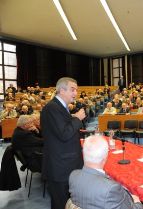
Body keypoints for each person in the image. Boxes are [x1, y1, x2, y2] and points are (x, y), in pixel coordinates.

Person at [40, 77, 86, 209]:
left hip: (66, 166)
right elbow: (64, 134)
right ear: (61, 90)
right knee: (61, 204)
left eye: (76, 90)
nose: (75, 93)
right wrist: (77, 118)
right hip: (60, 169)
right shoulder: (52, 108)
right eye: (72, 90)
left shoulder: (60, 107)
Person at [69, 135, 143, 209]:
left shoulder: (73, 175)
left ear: (83, 153)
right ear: (105, 157)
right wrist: (137, 202)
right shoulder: (111, 189)